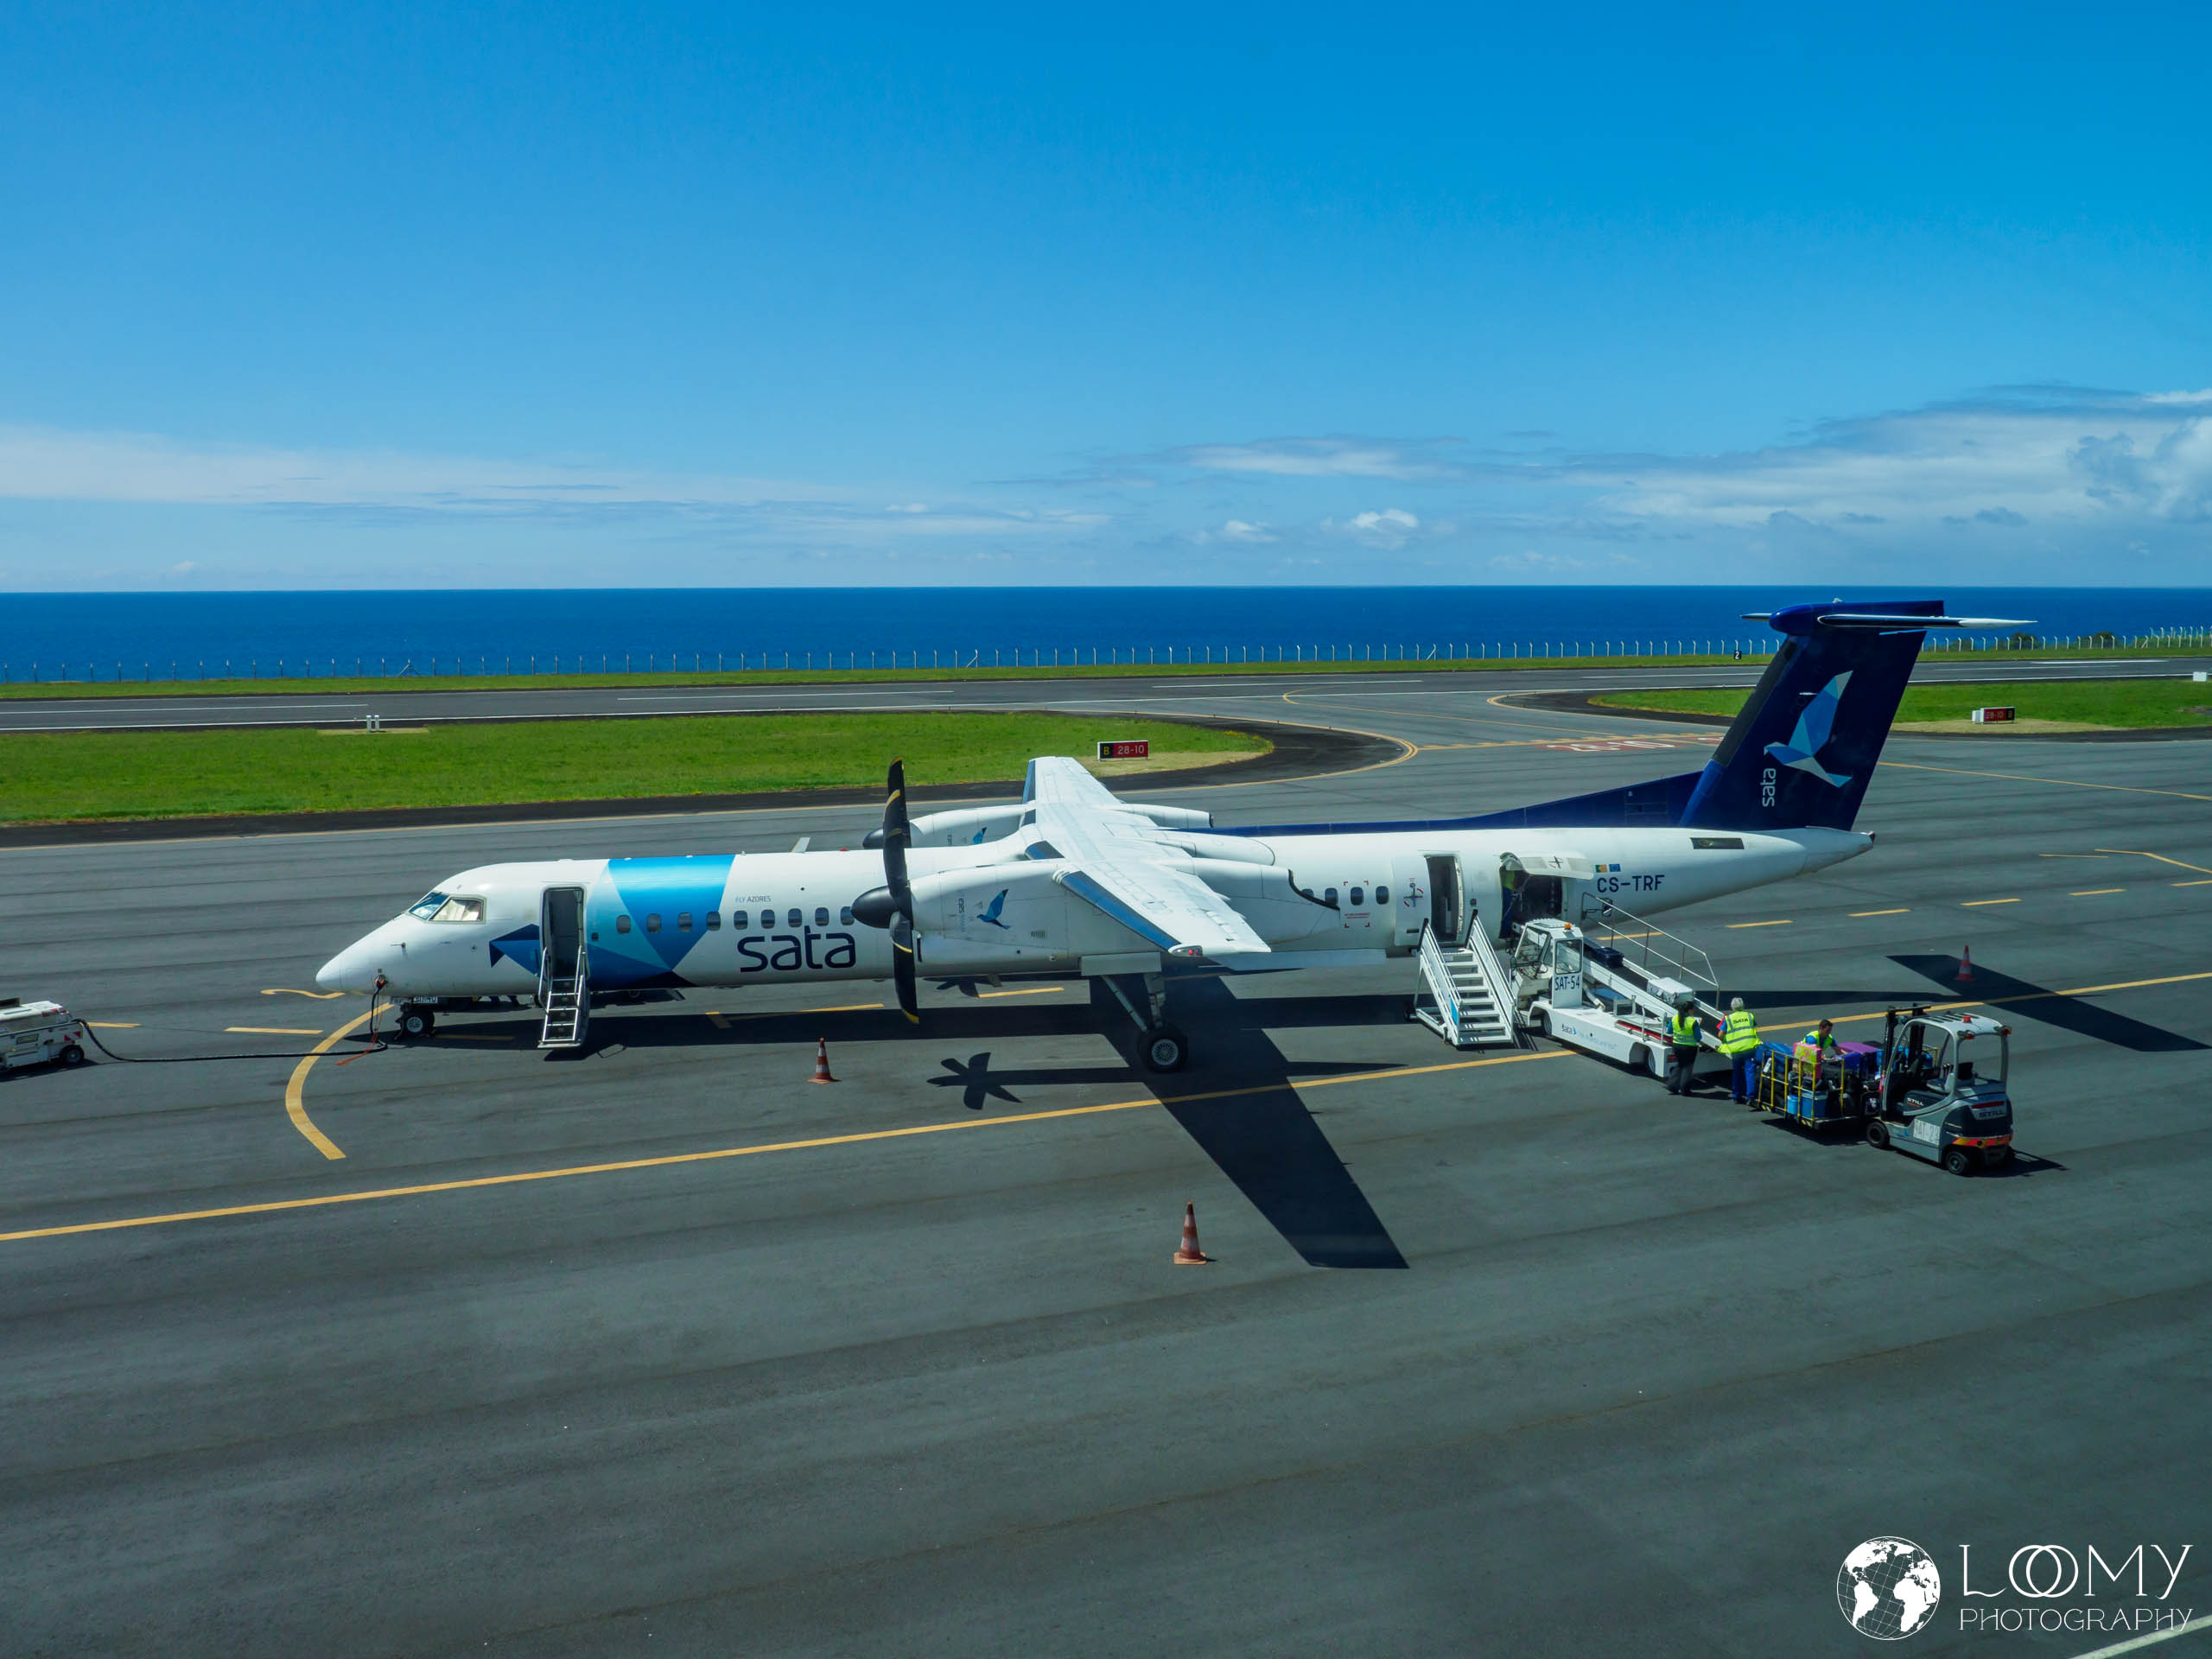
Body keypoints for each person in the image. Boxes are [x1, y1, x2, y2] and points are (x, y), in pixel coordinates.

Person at [1719, 996, 1761, 1104]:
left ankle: (1736, 1096)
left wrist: (1726, 1040)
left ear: (1732, 1007)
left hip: (1736, 1049)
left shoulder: (1728, 1019)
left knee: (1737, 1072)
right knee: (1750, 1072)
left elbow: (1720, 1034)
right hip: (1749, 1047)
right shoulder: (1750, 1016)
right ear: (1743, 1006)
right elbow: (1754, 1028)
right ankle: (1750, 1097)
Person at [1665, 996, 1702, 1095]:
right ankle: (1685, 1090)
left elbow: (1669, 1031)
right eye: (1693, 1009)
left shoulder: (1674, 1018)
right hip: (1690, 1048)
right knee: (1687, 1068)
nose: (1694, 1011)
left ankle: (1672, 1086)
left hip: (1677, 1046)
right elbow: (1698, 1037)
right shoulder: (1693, 1022)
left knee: (1679, 1065)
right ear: (1689, 1010)